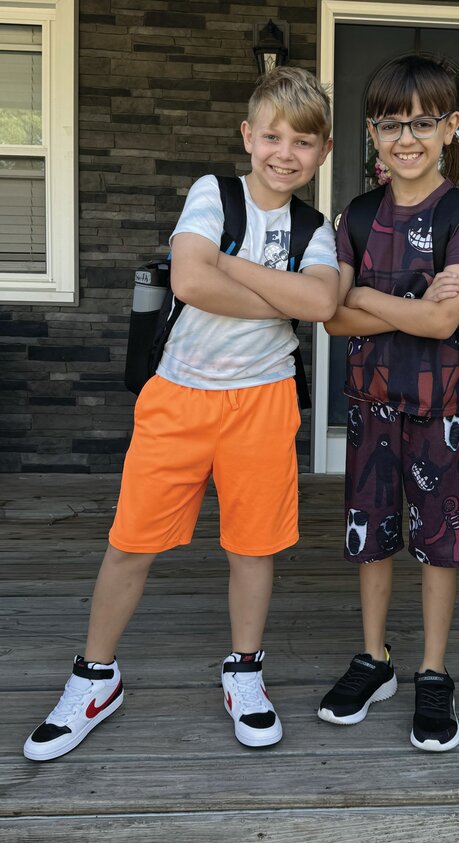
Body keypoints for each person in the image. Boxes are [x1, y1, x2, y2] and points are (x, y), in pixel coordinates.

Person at [24, 66, 339, 760]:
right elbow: (191, 278)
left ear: (323, 152)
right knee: (131, 540)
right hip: (179, 394)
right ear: (248, 136)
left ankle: (245, 672)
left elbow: (321, 306)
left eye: (304, 142)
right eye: (274, 136)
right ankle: (95, 678)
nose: (286, 153)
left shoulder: (318, 227)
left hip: (263, 401)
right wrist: (280, 294)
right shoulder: (215, 193)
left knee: (252, 546)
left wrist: (239, 274)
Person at [317, 55, 459, 751]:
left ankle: (432, 671)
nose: (406, 137)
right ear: (371, 132)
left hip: (441, 408)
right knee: (372, 537)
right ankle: (375, 659)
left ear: (451, 128)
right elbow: (331, 316)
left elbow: (443, 324)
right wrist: (404, 305)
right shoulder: (360, 213)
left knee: (439, 544)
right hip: (370, 406)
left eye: (424, 121)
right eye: (391, 124)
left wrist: (363, 298)